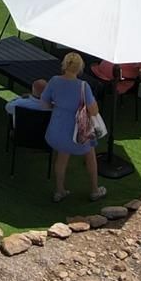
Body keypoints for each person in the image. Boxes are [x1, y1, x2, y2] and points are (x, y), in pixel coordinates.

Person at [42, 51, 107, 204]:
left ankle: (59, 190)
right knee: (90, 156)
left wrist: (58, 108)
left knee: (61, 158)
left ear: (64, 65)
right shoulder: (83, 86)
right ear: (80, 68)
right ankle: (94, 190)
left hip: (58, 128)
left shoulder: (54, 81)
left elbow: (44, 103)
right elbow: (94, 110)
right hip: (80, 130)